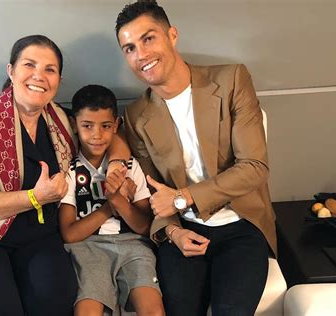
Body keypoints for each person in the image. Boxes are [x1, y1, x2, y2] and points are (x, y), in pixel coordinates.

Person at [0, 35, 128, 316]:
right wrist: (36, 197)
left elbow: (109, 132)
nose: (39, 76)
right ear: (11, 71)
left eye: (50, 69)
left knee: (55, 302)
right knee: (0, 308)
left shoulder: (62, 122)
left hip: (41, 237)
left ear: (58, 79)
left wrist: (118, 162)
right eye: (29, 65)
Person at [115, 1, 277, 316]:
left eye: (148, 39)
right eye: (129, 48)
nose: (141, 55)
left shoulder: (231, 80)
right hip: (185, 230)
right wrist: (173, 231)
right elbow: (154, 191)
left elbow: (255, 167)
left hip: (242, 224)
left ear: (172, 35)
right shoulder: (136, 116)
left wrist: (184, 198)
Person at [59, 84, 164, 316]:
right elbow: (69, 233)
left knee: (153, 310)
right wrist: (110, 206)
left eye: (105, 126)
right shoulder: (70, 172)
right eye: (87, 126)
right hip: (88, 248)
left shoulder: (129, 166)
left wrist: (121, 203)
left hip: (134, 245)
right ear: (75, 125)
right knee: (87, 311)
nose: (97, 135)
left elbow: (146, 227)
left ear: (116, 125)